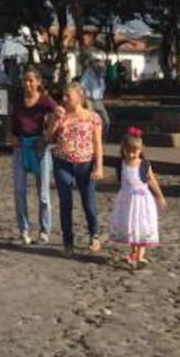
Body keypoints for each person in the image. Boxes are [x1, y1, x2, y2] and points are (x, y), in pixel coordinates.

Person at [46, 80, 105, 255]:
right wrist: (54, 120)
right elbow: (49, 137)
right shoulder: (60, 115)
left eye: (68, 96)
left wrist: (99, 166)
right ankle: (68, 241)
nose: (64, 99)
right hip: (62, 162)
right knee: (65, 203)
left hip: (85, 164)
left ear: (80, 97)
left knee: (89, 201)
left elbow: (98, 144)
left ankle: (94, 234)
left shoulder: (93, 118)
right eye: (63, 95)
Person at [10, 65, 58, 244]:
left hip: (39, 147)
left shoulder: (45, 100)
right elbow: (12, 120)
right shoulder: (18, 100)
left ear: (38, 82)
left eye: (31, 80)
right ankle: (24, 228)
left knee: (43, 193)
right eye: (25, 80)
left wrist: (48, 135)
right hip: (21, 147)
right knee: (19, 191)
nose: (28, 83)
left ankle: (44, 229)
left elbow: (58, 112)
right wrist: (13, 136)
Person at [109, 127, 167, 270]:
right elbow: (119, 179)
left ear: (141, 150)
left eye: (135, 151)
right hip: (127, 202)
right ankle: (133, 253)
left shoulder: (144, 165)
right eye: (128, 151)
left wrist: (160, 196)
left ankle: (140, 255)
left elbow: (152, 181)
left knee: (142, 227)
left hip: (142, 202)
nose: (132, 154)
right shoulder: (121, 164)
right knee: (131, 227)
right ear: (123, 150)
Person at [81, 58, 109, 137]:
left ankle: (100, 138)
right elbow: (82, 89)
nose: (101, 68)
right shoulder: (87, 76)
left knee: (106, 121)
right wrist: (86, 102)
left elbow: (101, 89)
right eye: (98, 66)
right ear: (93, 66)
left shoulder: (100, 76)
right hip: (90, 101)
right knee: (90, 122)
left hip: (99, 101)